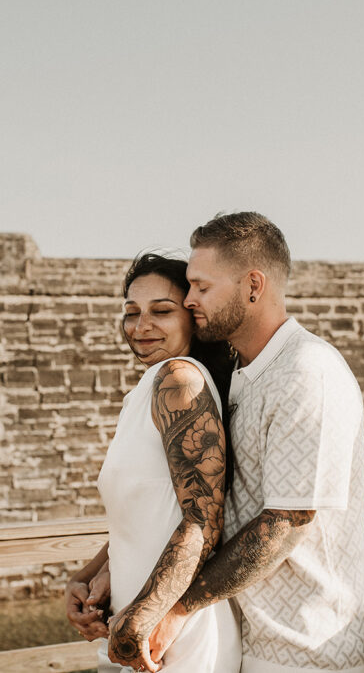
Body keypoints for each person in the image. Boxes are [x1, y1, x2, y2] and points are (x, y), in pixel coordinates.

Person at [110, 213, 364, 673]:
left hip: (307, 649)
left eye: (202, 287)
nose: (189, 299)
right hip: (250, 639)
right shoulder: (240, 376)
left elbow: (286, 523)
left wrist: (173, 609)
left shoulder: (308, 372)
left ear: (254, 285)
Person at [64, 253, 242, 672]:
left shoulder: (179, 381)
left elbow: (203, 519)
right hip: (133, 618)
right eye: (131, 312)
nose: (141, 326)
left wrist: (148, 613)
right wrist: (89, 575)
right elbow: (146, 512)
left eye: (161, 311)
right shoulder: (147, 390)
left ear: (193, 318)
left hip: (173, 629)